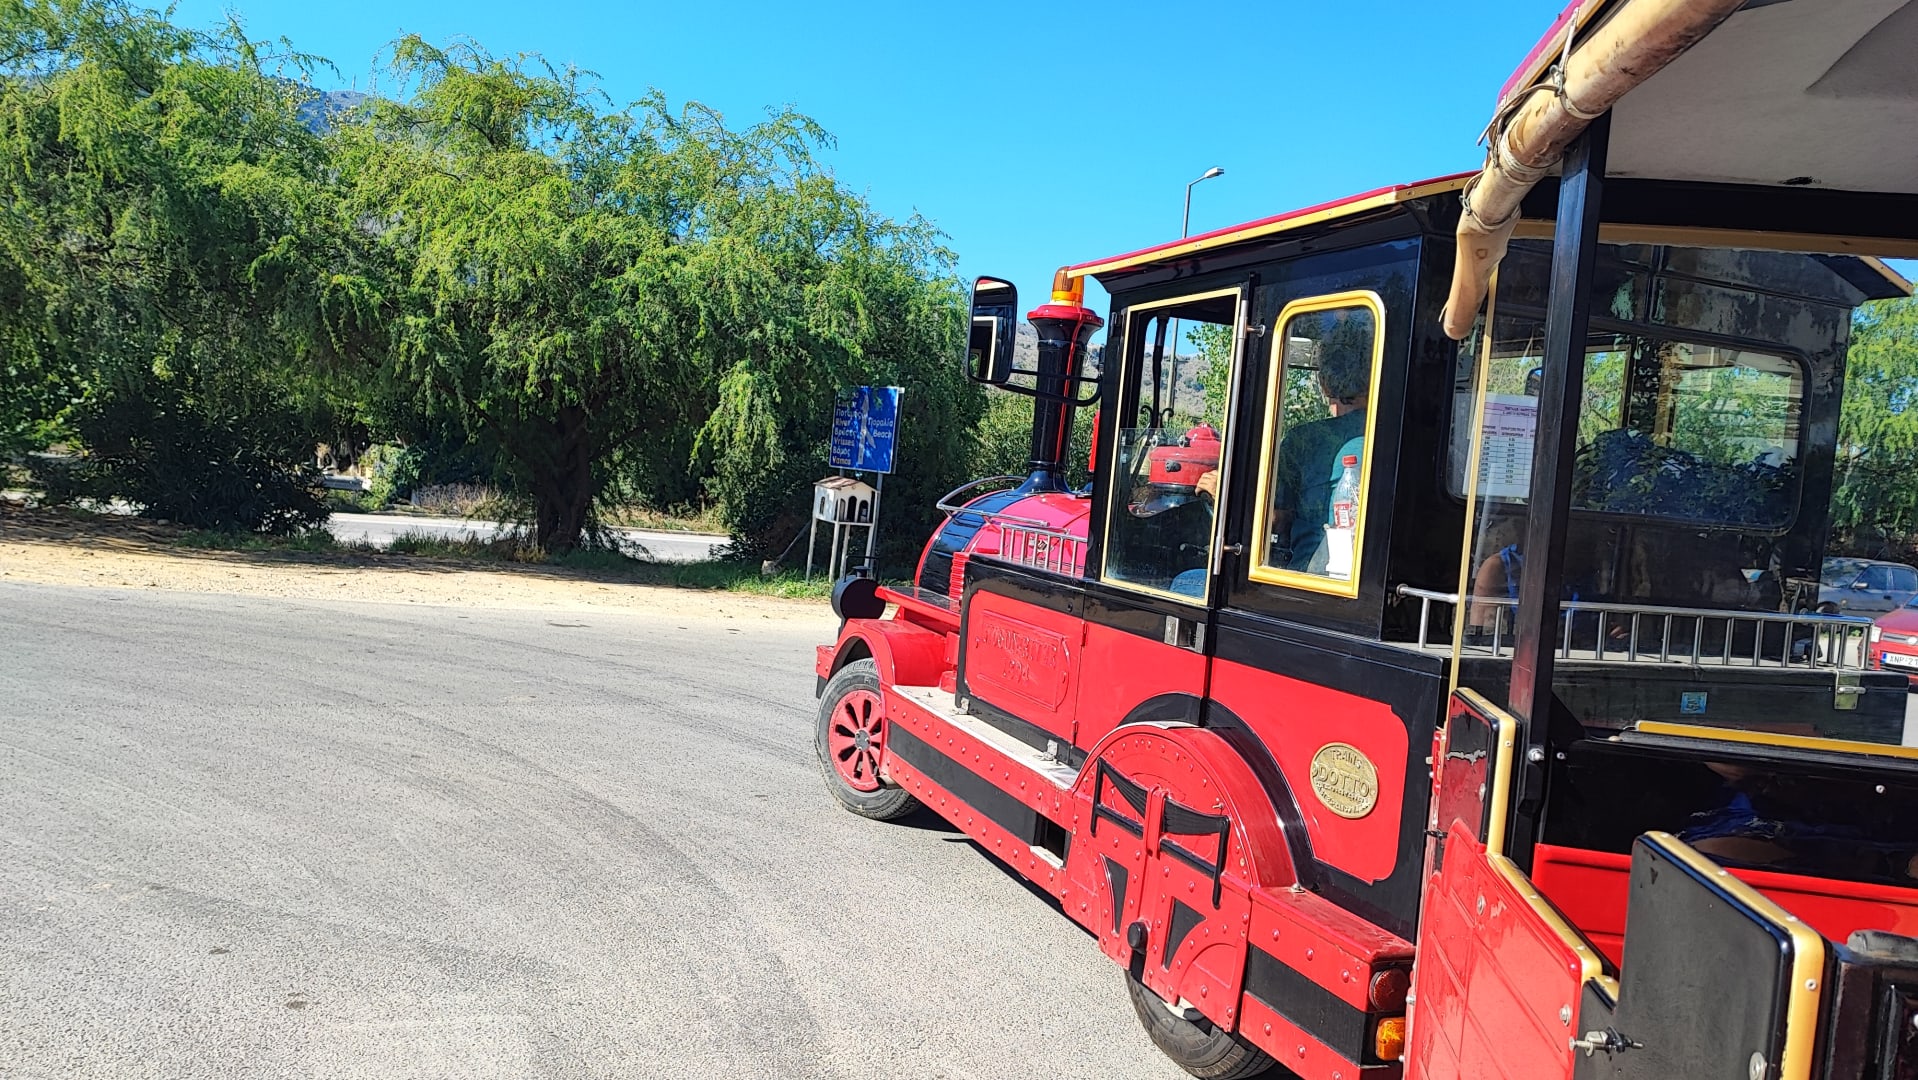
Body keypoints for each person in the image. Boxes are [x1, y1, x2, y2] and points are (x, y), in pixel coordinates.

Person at [1268, 340, 1370, 575]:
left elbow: (1275, 519)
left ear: (1324, 383)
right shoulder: (1399, 436)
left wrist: (1221, 496)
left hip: (1314, 577)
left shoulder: (1303, 441)